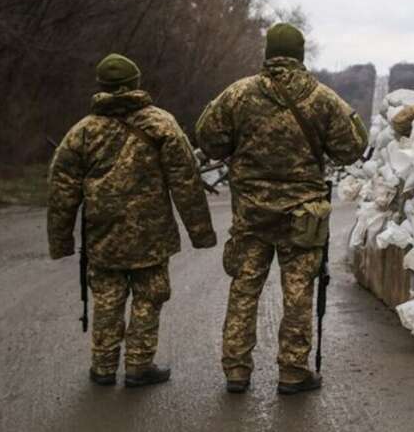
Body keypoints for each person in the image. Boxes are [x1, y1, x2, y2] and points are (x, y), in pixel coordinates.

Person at [195, 23, 368, 394]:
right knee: (298, 293)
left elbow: (208, 140)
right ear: (301, 55)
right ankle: (292, 371)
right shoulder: (322, 99)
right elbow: (353, 147)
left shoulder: (238, 94)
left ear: (268, 53)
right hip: (302, 217)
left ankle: (236, 371)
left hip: (251, 215)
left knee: (243, 290)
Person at [47, 53, 217, 387]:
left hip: (103, 233)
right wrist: (201, 232)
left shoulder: (82, 132)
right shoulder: (162, 124)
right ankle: (139, 365)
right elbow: (186, 182)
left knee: (108, 297)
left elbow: (61, 191)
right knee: (150, 295)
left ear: (102, 87)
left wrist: (61, 241)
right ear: (136, 83)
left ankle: (103, 366)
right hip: (151, 235)